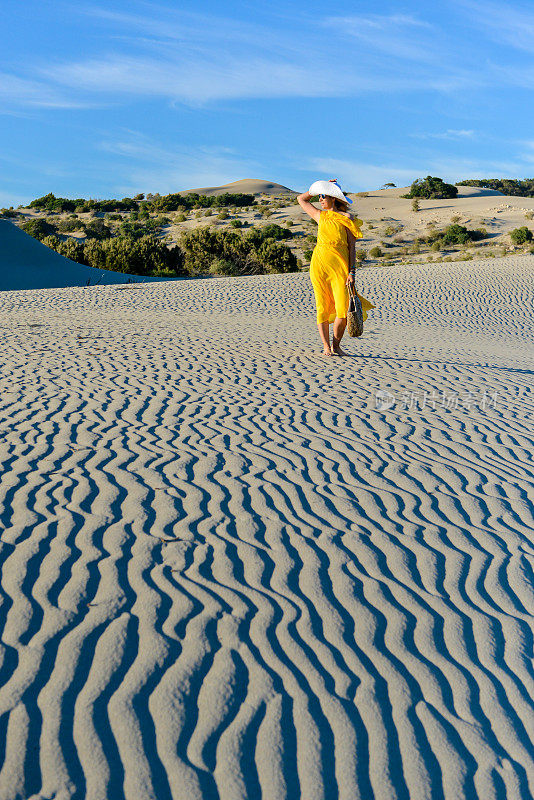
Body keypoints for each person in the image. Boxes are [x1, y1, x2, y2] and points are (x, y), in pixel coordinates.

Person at [297, 179, 375, 356]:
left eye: (324, 196)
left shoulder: (346, 220)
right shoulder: (320, 215)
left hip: (340, 267)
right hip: (319, 266)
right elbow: (301, 199)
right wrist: (319, 187)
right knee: (322, 307)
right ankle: (326, 346)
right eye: (320, 197)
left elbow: (352, 247)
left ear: (333, 198)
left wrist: (352, 271)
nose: (320, 200)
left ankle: (336, 345)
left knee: (342, 308)